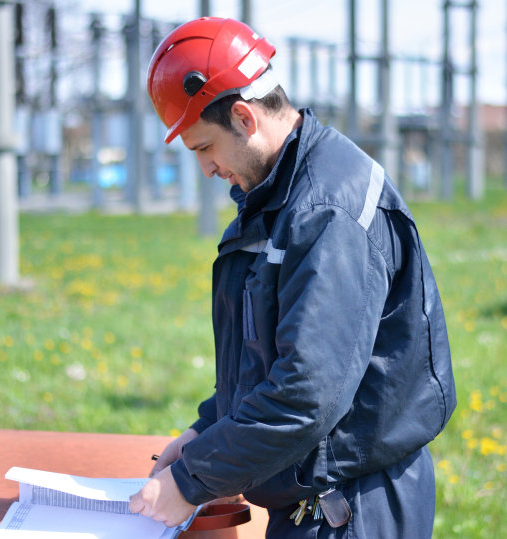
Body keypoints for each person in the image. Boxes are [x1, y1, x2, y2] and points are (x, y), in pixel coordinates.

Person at [129, 17, 457, 538]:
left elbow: (306, 394)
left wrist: (189, 481)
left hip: (350, 508)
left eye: (203, 148)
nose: (207, 170)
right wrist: (205, 429)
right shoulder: (282, 192)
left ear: (243, 116)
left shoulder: (324, 211)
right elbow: (271, 355)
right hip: (326, 495)